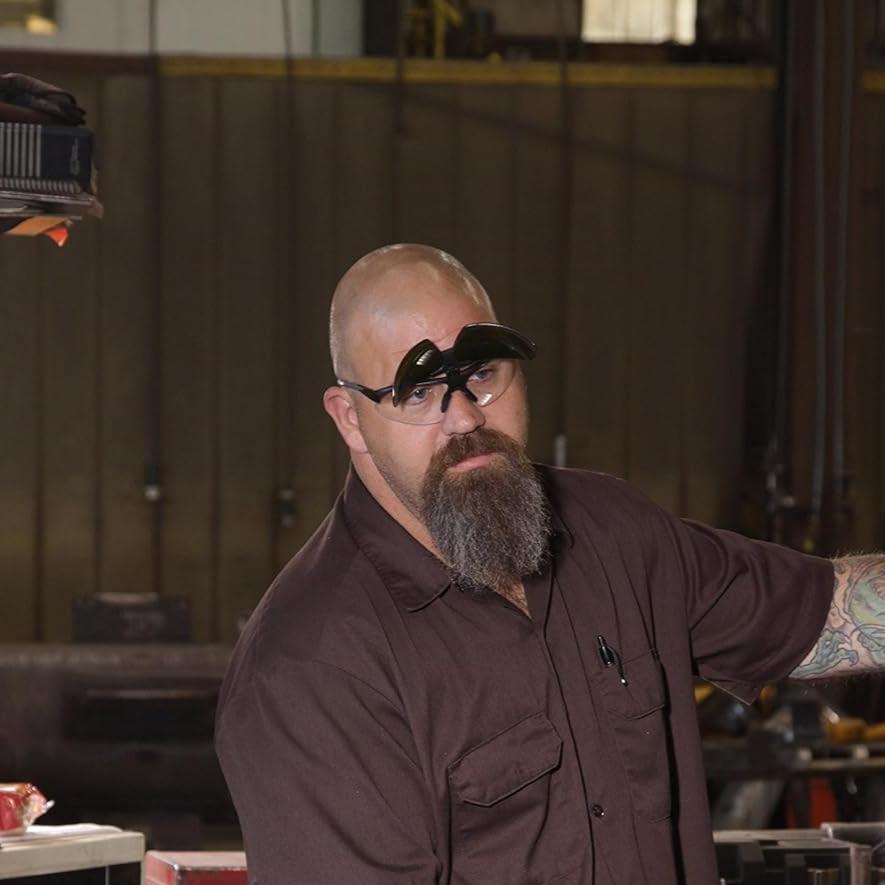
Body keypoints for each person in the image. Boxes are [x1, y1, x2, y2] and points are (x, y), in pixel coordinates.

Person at [216, 243, 884, 885]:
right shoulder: (310, 668)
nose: (465, 416)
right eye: (418, 391)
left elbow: (829, 614)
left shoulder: (612, 532)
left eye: (481, 372)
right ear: (351, 419)